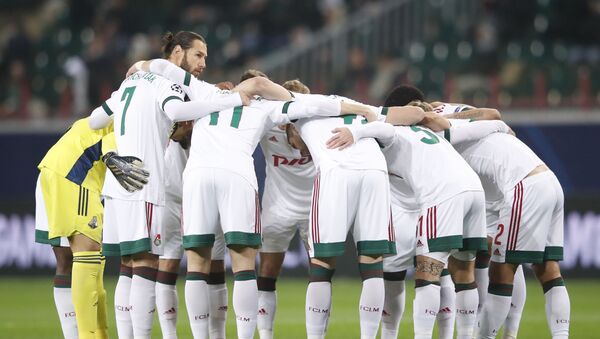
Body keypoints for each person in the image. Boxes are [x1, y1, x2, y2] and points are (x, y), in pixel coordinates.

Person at [327, 92, 490, 338]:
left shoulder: (396, 131)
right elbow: (492, 119)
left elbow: (384, 131)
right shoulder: (431, 133)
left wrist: (355, 132)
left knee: (428, 273)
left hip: (442, 195)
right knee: (464, 273)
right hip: (474, 190)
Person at [391, 84, 529, 338]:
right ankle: (484, 332)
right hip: (479, 185)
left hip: (480, 187)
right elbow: (496, 120)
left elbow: (493, 115)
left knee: (440, 265)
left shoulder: (428, 120)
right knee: (473, 265)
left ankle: (499, 331)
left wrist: (444, 121)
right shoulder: (433, 118)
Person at [35, 118, 148, 339]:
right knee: (88, 256)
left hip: (50, 172)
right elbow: (110, 142)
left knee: (70, 261)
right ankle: (91, 336)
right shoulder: (131, 117)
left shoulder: (105, 112)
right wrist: (112, 157)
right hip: (75, 177)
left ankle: (90, 334)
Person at [256, 78, 316, 339]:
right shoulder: (266, 125)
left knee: (321, 275)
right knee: (268, 273)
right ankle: (265, 334)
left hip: (315, 208)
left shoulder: (320, 126)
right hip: (277, 207)